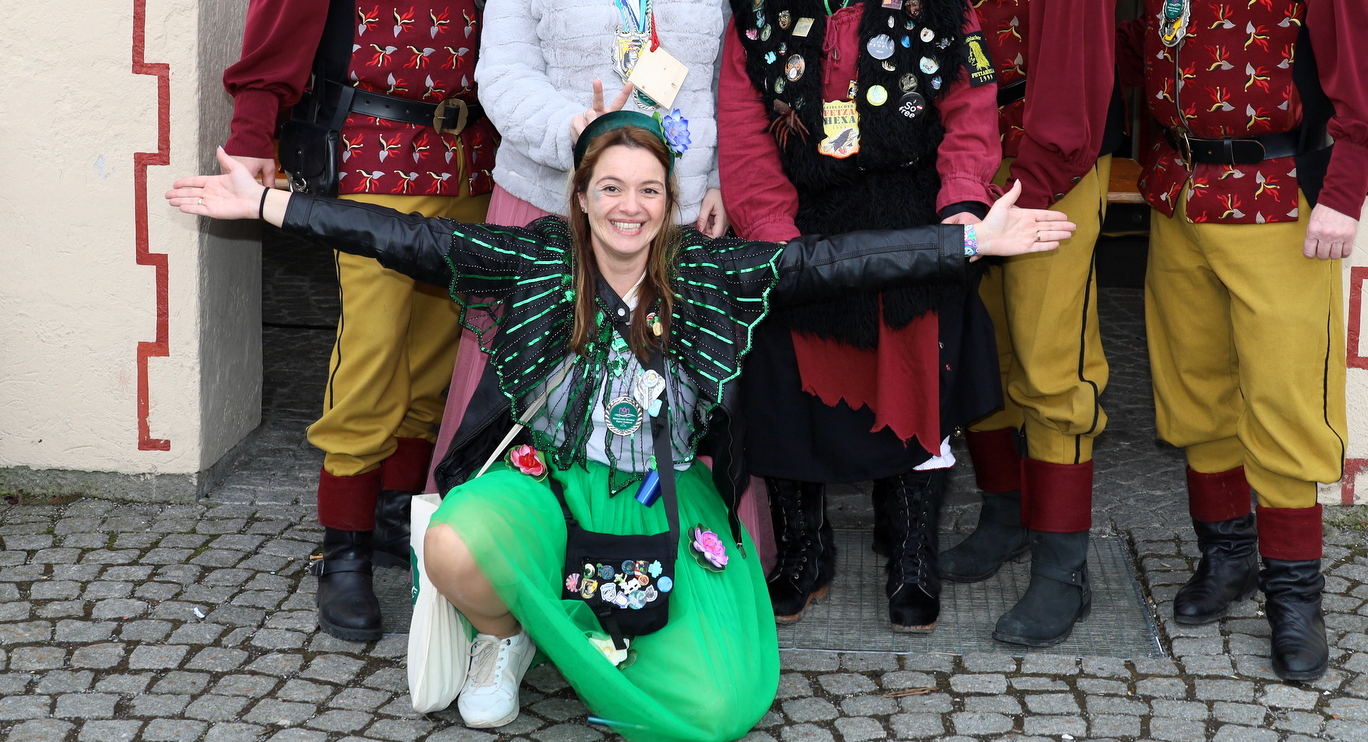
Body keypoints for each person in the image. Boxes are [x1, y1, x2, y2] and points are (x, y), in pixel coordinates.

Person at [166, 116, 1073, 740]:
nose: (628, 206)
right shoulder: (532, 259)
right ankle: (504, 633)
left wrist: (969, 242)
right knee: (454, 543)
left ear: (669, 199)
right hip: (546, 481)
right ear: (581, 196)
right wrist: (267, 204)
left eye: (647, 189)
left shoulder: (709, 272)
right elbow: (404, 238)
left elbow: (832, 262)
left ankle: (594, 634)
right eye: (610, 187)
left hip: (665, 498)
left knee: (717, 706)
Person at [1119, 0, 1368, 681]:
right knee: (1196, 391)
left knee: (1286, 403)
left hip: (1281, 203)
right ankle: (1228, 558)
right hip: (1178, 194)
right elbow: (1141, 51)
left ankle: (1296, 597)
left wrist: (1344, 192)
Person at [220, 0, 516, 640]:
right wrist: (254, 129)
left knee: (436, 354)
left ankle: (394, 516)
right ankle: (340, 549)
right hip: (377, 154)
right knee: (373, 353)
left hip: (474, 155)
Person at [717, 0, 1003, 632]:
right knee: (785, 387)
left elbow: (972, 107)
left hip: (908, 211)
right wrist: (771, 230)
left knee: (915, 380)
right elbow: (741, 122)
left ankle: (912, 553)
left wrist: (959, 207)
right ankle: (804, 552)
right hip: (797, 216)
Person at [429, 0, 738, 488]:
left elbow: (725, 79)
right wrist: (571, 128)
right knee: (539, 395)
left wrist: (720, 177)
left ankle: (663, 536)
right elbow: (502, 75)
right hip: (550, 201)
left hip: (673, 204)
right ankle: (529, 538)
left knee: (665, 394)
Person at [923, 0, 1129, 649]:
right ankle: (1003, 518)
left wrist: (1037, 177)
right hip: (962, 155)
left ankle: (1062, 567)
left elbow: (1080, 50)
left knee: (1052, 365)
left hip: (1044, 154)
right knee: (983, 352)